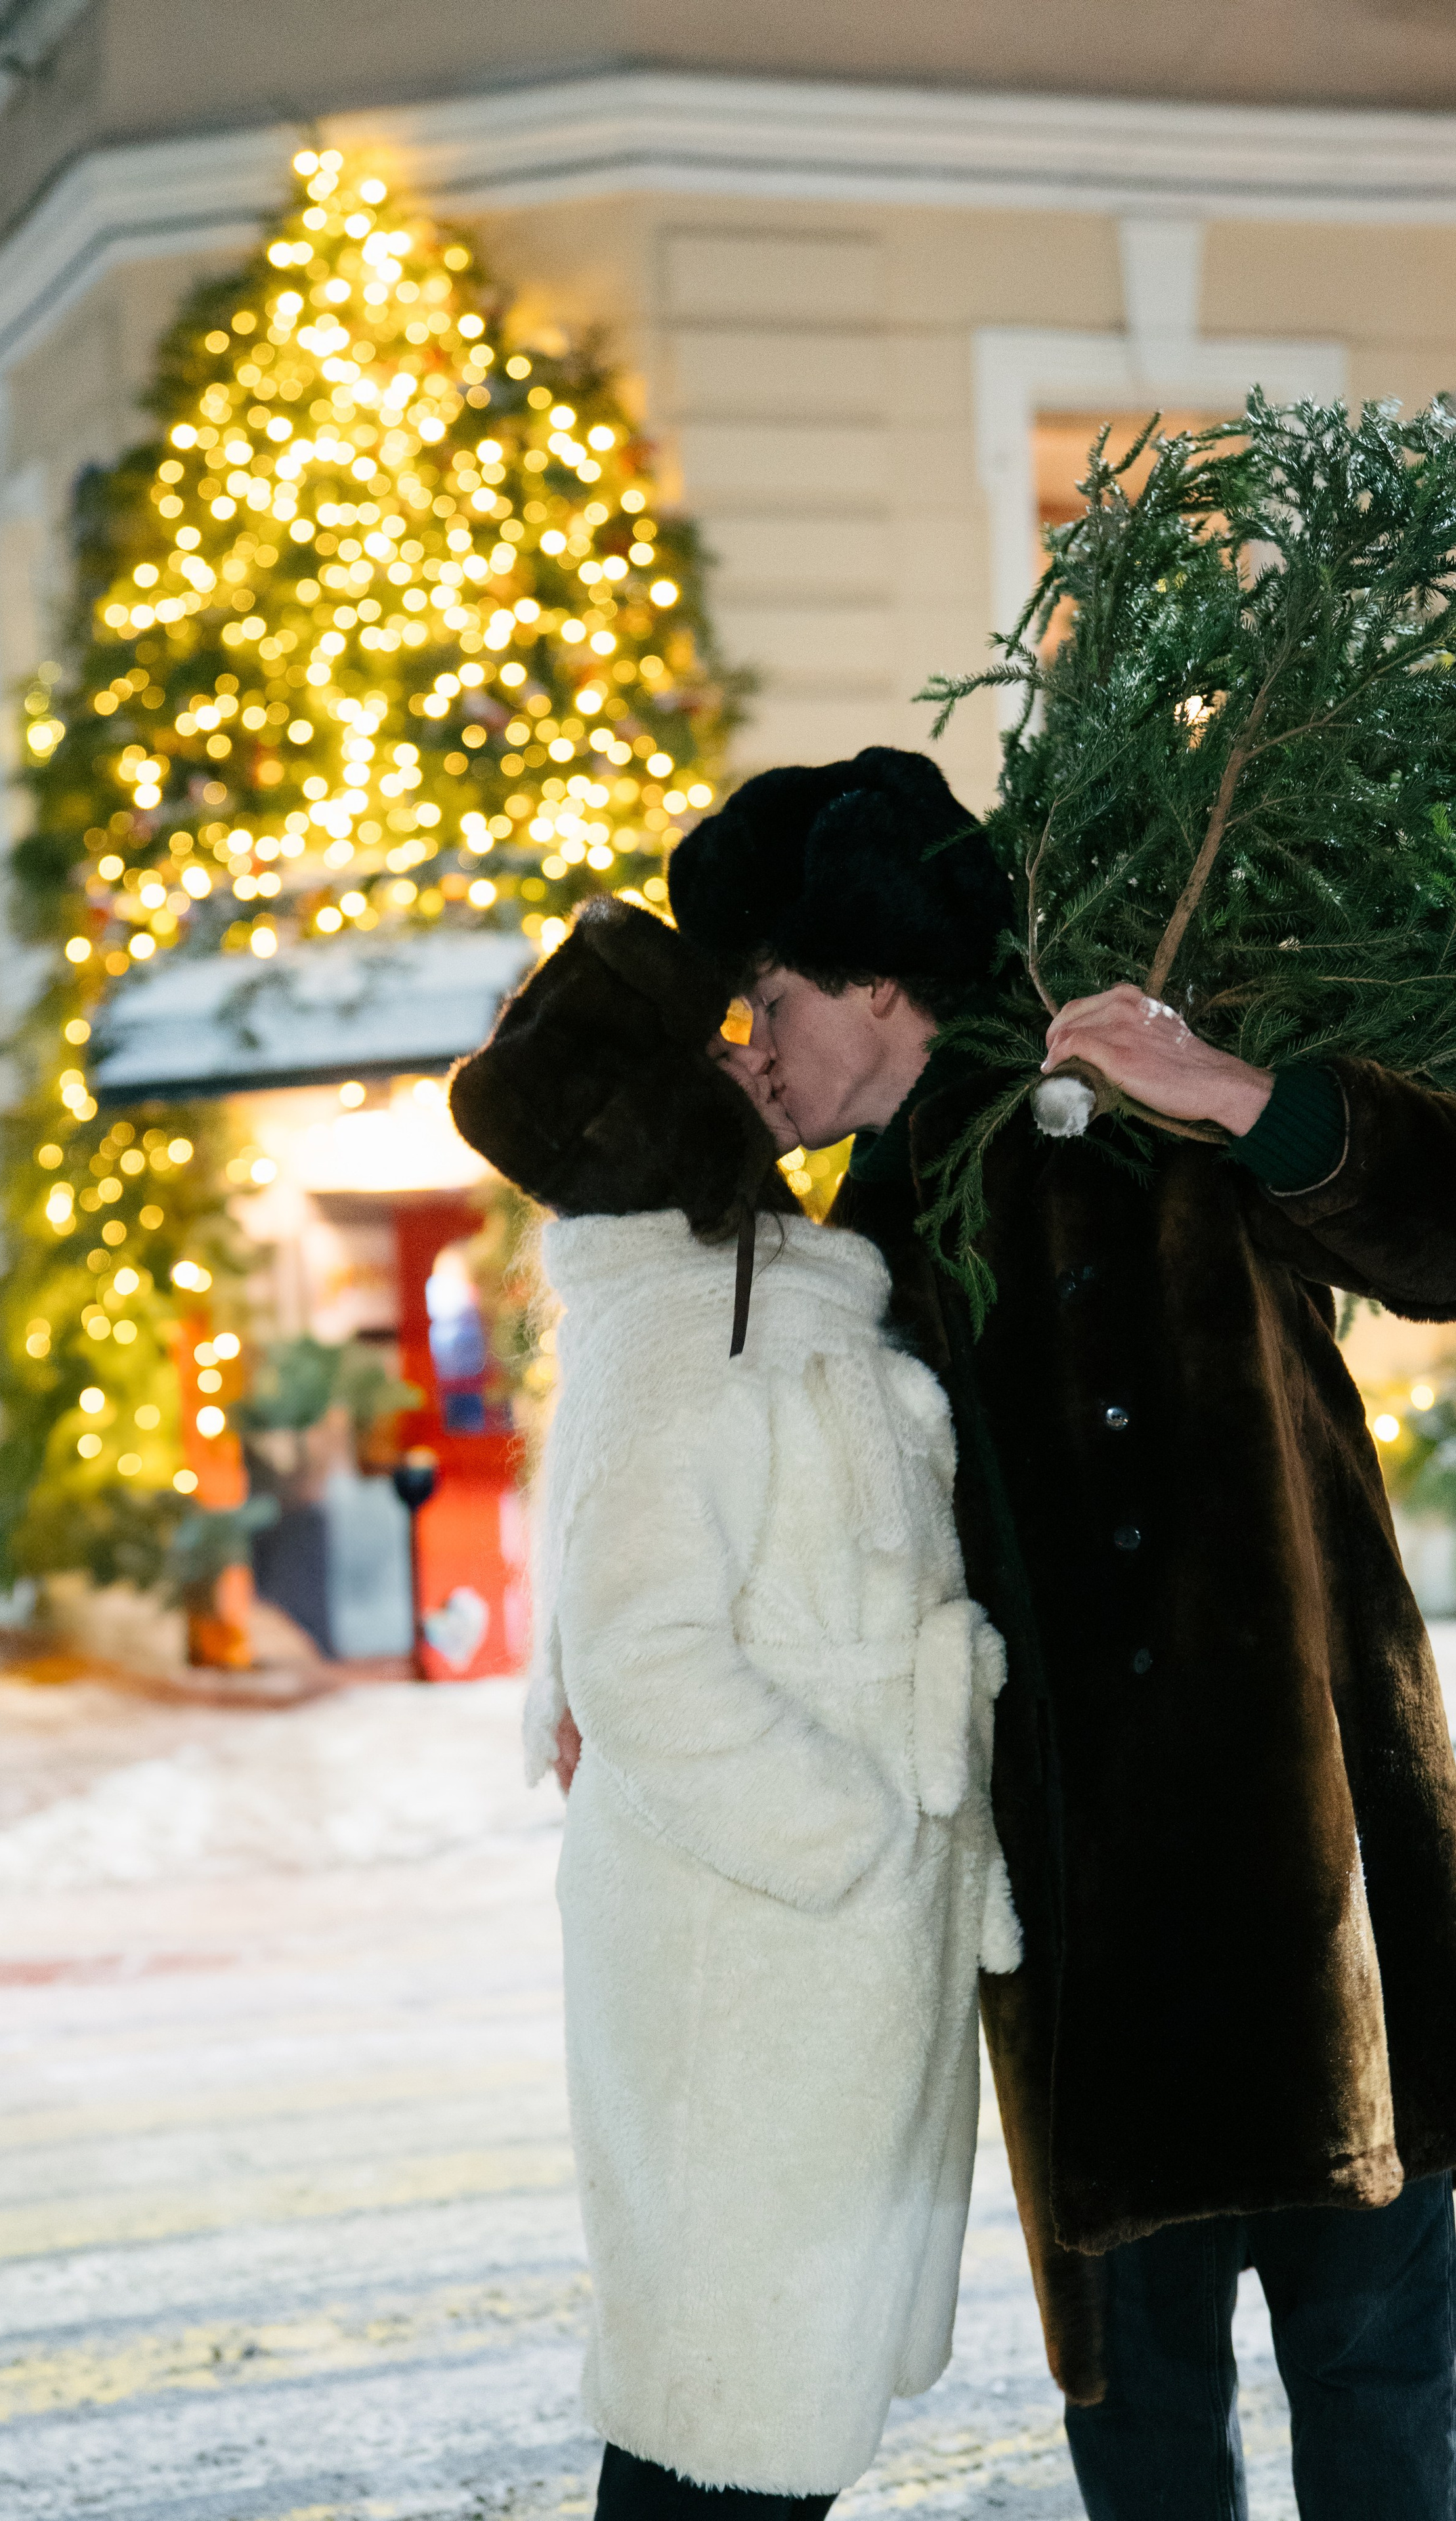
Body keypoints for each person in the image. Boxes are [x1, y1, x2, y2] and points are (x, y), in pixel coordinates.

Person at [666, 746, 1456, 2521]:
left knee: (1374, 2406)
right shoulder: (861, 1245)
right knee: (1146, 2435)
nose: (749, 1046)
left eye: (765, 999)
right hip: (1086, 1937)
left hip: (1313, 1884)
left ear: (872, 978)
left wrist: (1231, 1088)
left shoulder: (1143, 1086)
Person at [447, 895, 1021, 2521]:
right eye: (723, 1040)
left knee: (750, 2431)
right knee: (720, 2433)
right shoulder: (689, 1328)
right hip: (751, 1963)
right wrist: (856, 1843)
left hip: (805, 1970)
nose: (758, 1057)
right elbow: (642, 1655)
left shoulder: (755, 1292)